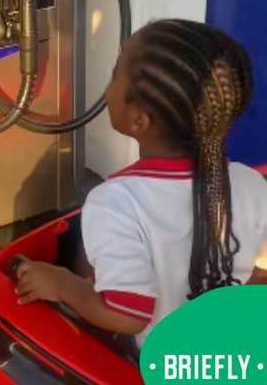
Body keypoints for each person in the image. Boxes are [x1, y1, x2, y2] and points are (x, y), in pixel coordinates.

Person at [15, 19, 267, 348]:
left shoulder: (115, 203)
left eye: (116, 71)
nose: (109, 84)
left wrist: (62, 285)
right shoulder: (251, 184)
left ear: (139, 120)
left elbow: (127, 315)